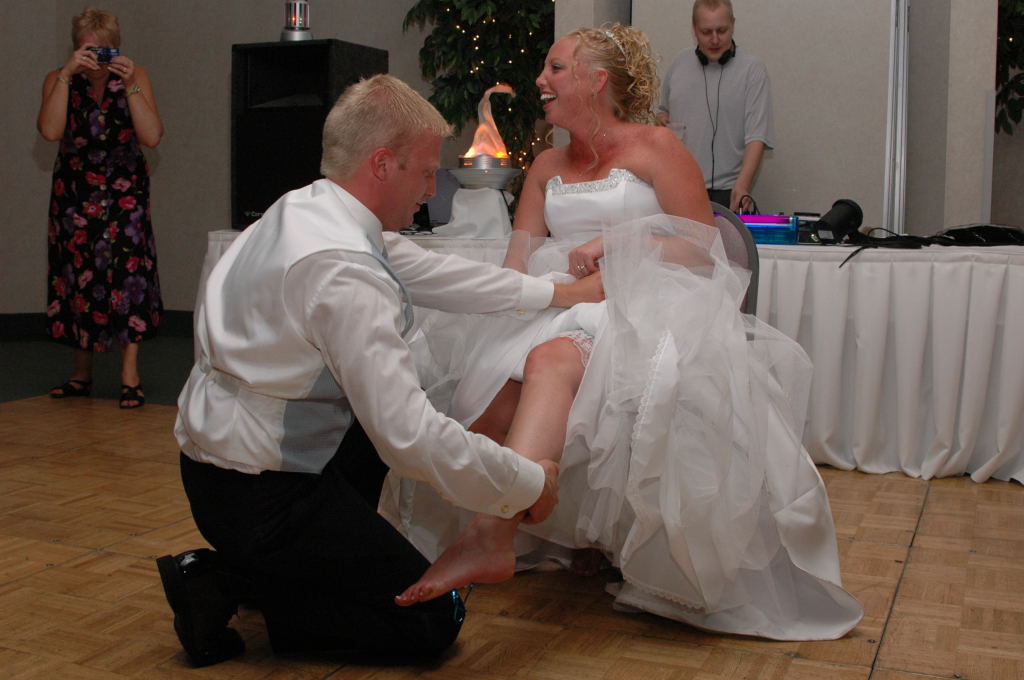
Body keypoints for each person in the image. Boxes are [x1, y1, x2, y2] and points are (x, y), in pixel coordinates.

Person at [382, 23, 863, 641]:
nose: (540, 80)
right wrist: (500, 304)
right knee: (491, 404)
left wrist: (619, 242)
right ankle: (545, 530)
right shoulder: (546, 165)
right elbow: (518, 262)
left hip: (648, 305)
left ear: (596, 80)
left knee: (552, 361)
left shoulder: (657, 146)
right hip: (562, 301)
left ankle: (489, 537)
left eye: (556, 68)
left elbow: (706, 249)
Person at [157, 74, 605, 667]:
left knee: (373, 421)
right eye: (426, 171)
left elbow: (442, 277)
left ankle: (269, 574)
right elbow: (409, 436)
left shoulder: (310, 208)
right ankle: (221, 580)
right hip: (263, 494)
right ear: (382, 164)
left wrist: (559, 293)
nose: (432, 187)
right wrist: (527, 481)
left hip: (223, 467)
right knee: (433, 622)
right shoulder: (342, 269)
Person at [37, 8, 164, 409]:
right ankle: (81, 373)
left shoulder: (135, 77)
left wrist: (130, 85)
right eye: (89, 49)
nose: (97, 57)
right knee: (78, 277)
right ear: (76, 47)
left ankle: (130, 375)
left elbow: (152, 136)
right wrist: (66, 74)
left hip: (125, 195)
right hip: (75, 194)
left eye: (105, 49)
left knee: (128, 276)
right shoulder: (59, 80)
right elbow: (50, 130)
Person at [655, 0, 773, 213]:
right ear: (694, 29)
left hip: (729, 192)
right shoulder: (679, 63)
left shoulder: (753, 70)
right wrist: (662, 120)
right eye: (706, 32)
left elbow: (757, 137)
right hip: (680, 187)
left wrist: (743, 185)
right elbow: (663, 112)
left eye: (722, 31)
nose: (715, 39)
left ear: (733, 24)